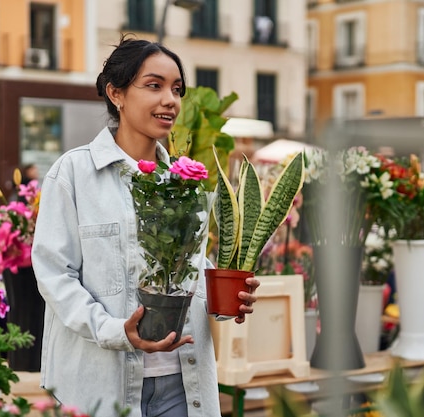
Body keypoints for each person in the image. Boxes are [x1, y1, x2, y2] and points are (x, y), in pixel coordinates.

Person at [31, 35, 260, 417]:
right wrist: (116, 330)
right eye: (154, 86)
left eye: (176, 89)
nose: (170, 99)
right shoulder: (74, 173)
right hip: (99, 385)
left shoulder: (185, 182)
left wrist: (227, 297)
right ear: (116, 93)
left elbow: (193, 271)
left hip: (183, 389)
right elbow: (54, 275)